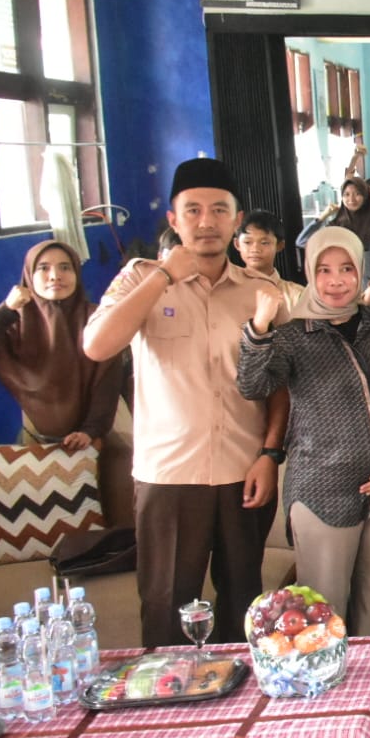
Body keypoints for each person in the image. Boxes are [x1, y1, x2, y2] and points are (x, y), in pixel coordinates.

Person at [83, 158, 287, 646]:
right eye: (193, 210)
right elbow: (96, 346)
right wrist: (162, 276)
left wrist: (270, 453)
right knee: (167, 609)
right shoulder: (139, 278)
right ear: (174, 220)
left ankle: (241, 697)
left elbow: (281, 384)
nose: (206, 221)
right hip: (169, 476)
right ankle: (170, 695)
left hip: (243, 472)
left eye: (219, 210)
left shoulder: (261, 292)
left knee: (244, 607)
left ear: (237, 220)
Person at [237, 227, 370, 635]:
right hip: (321, 490)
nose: (336, 280)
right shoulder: (292, 336)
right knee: (323, 610)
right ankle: (329, 678)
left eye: (346, 269)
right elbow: (253, 385)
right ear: (309, 273)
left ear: (360, 270)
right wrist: (259, 327)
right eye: (324, 270)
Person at [0, 240, 123, 450]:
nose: (55, 276)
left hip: (101, 428)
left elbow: (108, 380)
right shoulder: (14, 324)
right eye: (43, 268)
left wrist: (90, 430)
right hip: (36, 434)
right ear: (29, 276)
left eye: (65, 267)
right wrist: (6, 310)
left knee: (118, 463)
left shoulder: (97, 318)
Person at [299, 177, 370, 259]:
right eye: (346, 194)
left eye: (357, 194)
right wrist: (323, 216)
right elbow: (302, 241)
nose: (351, 199)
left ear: (365, 197)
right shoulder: (336, 226)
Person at [234, 209, 305, 306]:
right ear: (237, 244)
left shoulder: (297, 295)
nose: (255, 249)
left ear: (279, 245)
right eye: (247, 242)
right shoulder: (225, 292)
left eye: (264, 243)